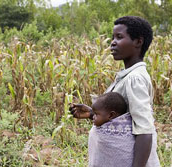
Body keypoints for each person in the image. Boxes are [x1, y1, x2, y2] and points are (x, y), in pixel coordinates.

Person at [69, 16, 160, 167]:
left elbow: (144, 130)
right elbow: (123, 117)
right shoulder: (127, 76)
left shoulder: (134, 79)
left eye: (119, 37)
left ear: (138, 41)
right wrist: (92, 113)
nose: (112, 42)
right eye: (113, 37)